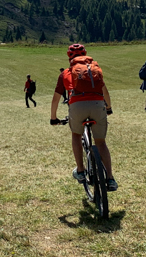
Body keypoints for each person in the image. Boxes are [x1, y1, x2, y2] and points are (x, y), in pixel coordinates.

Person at [49, 44, 117, 192]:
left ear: (69, 57)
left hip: (77, 106)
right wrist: (109, 108)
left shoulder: (66, 73)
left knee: (76, 134)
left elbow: (55, 100)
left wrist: (53, 118)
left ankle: (80, 170)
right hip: (98, 104)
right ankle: (110, 179)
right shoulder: (93, 71)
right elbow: (105, 92)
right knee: (101, 142)